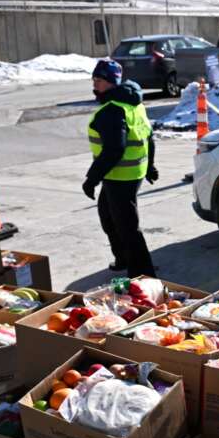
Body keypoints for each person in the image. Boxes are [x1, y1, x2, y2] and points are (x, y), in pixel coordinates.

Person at [83, 59, 157, 278]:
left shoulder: (112, 111)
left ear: (112, 82)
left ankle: (143, 275)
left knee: (128, 227)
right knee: (107, 214)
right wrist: (150, 165)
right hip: (131, 172)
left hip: (120, 176)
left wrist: (91, 178)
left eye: (99, 80)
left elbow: (114, 149)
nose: (95, 84)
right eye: (94, 79)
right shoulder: (133, 103)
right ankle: (123, 258)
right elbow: (149, 136)